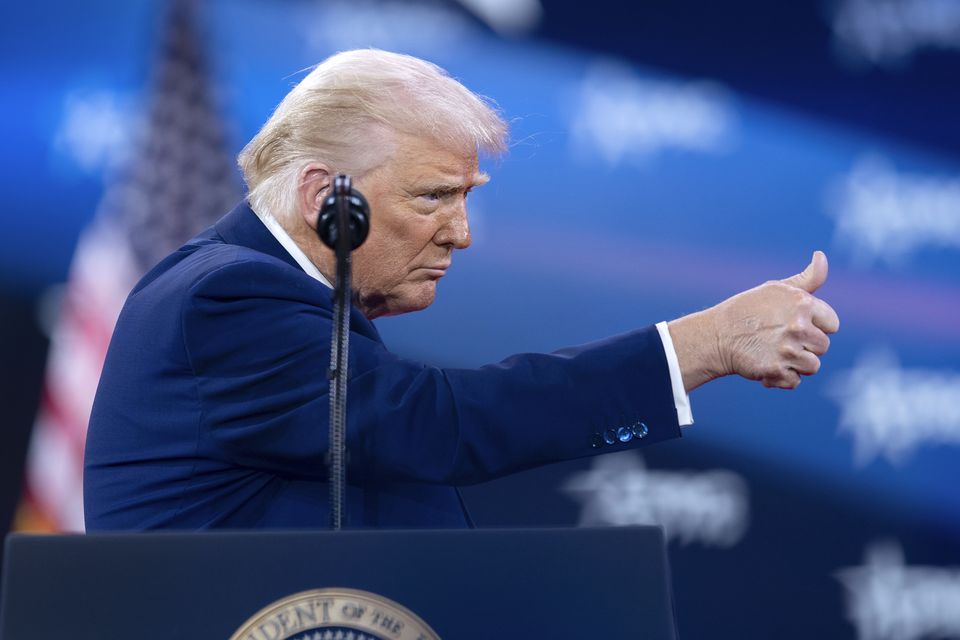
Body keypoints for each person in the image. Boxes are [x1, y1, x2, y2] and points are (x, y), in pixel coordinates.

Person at [84, 49, 839, 530]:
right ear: (324, 196)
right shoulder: (228, 298)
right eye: (433, 197)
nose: (462, 232)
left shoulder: (280, 294)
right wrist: (702, 345)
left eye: (467, 195)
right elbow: (432, 426)